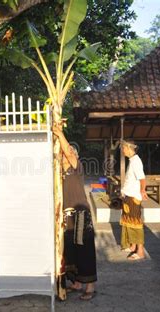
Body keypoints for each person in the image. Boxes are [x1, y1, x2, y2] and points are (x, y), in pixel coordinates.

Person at [53, 125, 97, 301]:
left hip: (80, 214)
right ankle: (76, 282)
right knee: (70, 249)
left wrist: (59, 133)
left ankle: (90, 286)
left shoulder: (76, 167)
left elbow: (69, 153)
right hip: (66, 216)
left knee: (84, 248)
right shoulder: (58, 173)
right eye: (63, 152)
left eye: (69, 151)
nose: (65, 154)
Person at [119, 140, 148, 260]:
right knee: (128, 221)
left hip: (133, 197)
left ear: (129, 148)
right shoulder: (132, 161)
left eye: (123, 148)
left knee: (135, 223)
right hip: (128, 196)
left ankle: (140, 251)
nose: (122, 150)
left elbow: (142, 178)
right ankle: (133, 246)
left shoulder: (136, 162)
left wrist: (142, 191)